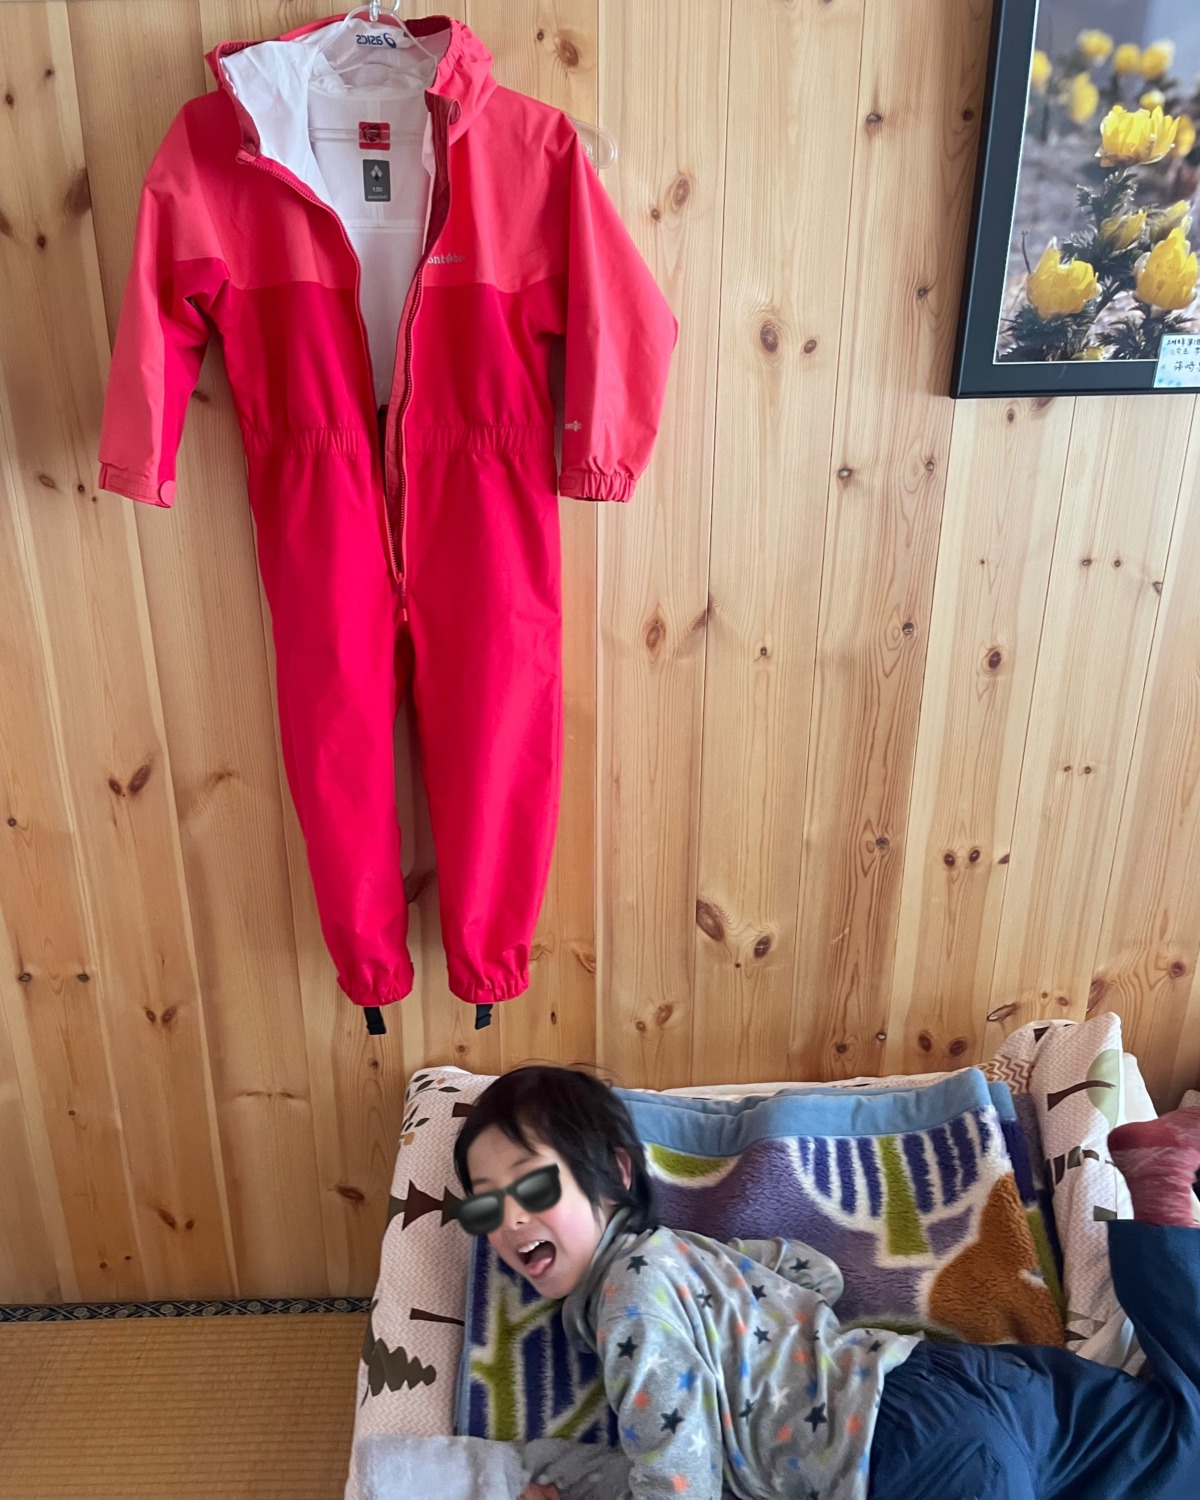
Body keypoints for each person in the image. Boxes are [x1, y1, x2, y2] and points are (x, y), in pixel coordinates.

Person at [452, 1064, 1200, 1500]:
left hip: (891, 1451)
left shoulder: (627, 1301)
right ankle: (1165, 1195)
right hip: (952, 1384)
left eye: (534, 1186)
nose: (510, 1220)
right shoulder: (691, 1255)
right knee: (1175, 1446)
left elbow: (678, 1473)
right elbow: (822, 1276)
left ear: (618, 1174)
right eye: (486, 1205)